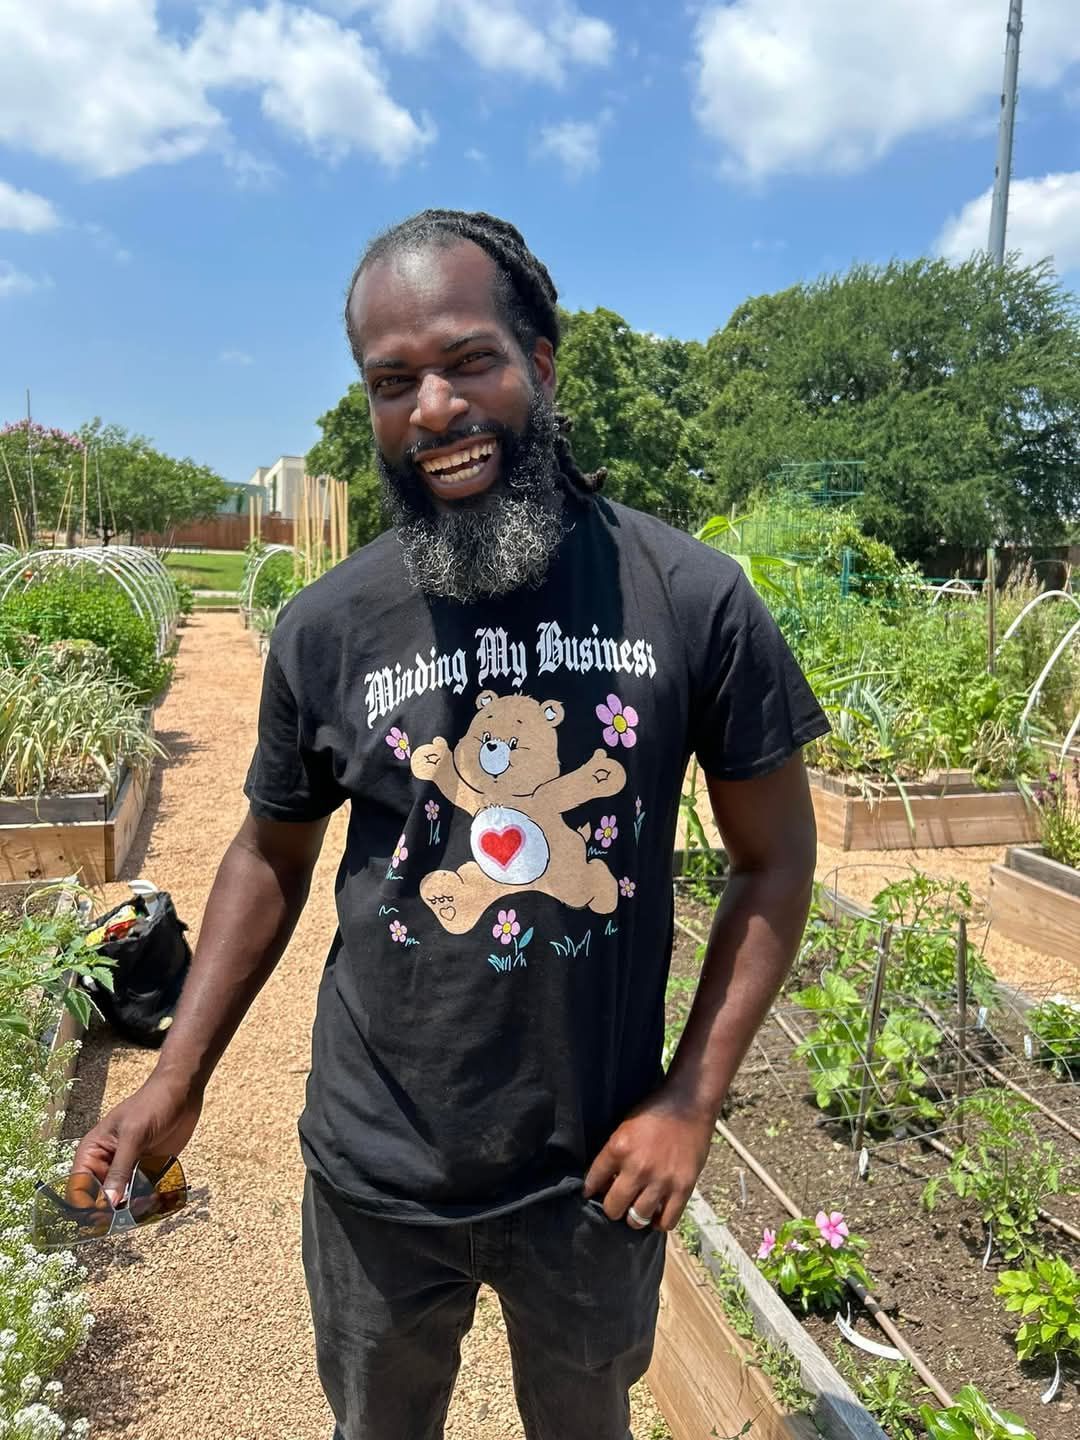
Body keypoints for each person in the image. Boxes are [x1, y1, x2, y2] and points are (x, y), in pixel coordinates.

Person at [72, 210, 828, 1440]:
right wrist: (177, 1074)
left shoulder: (692, 599)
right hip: (377, 1168)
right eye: (392, 381)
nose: (433, 409)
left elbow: (774, 858)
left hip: (592, 1177)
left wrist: (690, 1098)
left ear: (542, 357)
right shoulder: (329, 625)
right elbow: (269, 850)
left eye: (469, 359)